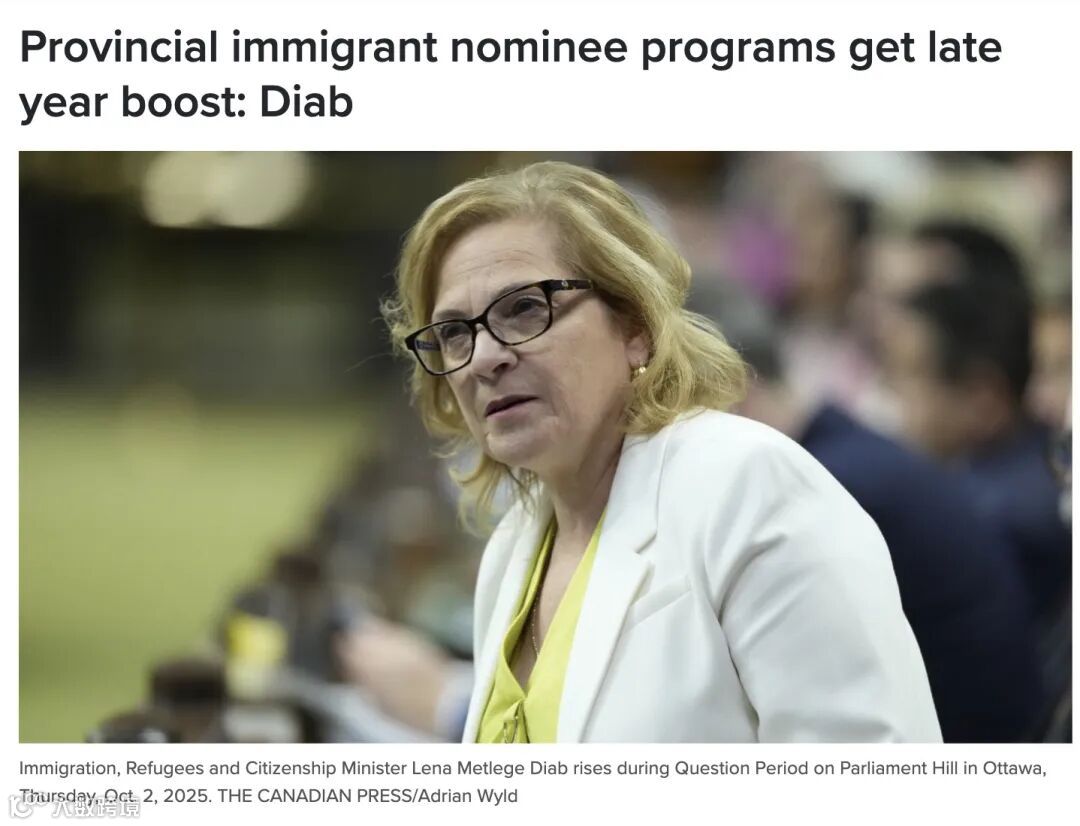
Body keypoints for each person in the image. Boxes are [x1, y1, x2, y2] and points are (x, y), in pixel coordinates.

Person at [378, 161, 940, 743]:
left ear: (636, 326)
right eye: (454, 333)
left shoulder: (747, 486)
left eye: (524, 309)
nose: (483, 357)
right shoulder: (512, 550)